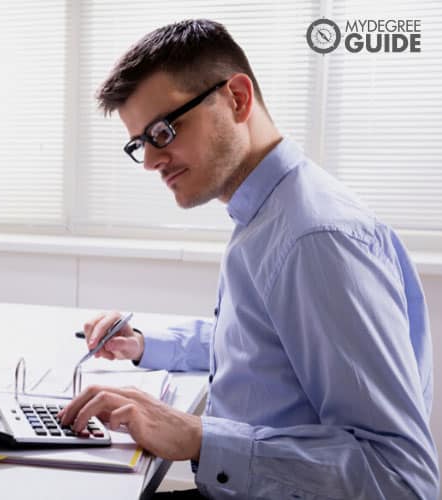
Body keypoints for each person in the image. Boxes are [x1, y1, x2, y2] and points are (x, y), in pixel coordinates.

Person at [57, 19, 438, 499]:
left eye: (162, 130)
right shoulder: (268, 214)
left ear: (237, 98)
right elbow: (266, 351)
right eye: (140, 144)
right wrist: (144, 344)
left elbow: (402, 480)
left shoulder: (314, 238)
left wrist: (198, 437)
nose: (152, 161)